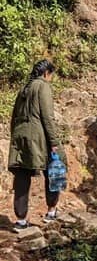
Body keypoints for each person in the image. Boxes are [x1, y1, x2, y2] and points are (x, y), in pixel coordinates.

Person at [8, 59, 67, 230]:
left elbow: (13, 117)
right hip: (38, 136)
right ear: (47, 73)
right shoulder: (43, 86)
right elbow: (47, 116)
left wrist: (15, 137)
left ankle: (20, 221)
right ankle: (51, 211)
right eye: (51, 76)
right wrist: (54, 142)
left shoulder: (23, 88)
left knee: (21, 176)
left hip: (20, 136)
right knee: (55, 166)